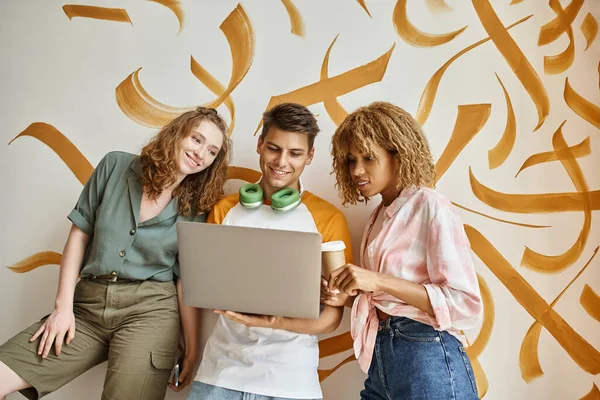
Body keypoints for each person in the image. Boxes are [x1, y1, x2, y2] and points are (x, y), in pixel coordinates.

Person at [0, 107, 232, 400]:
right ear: (177, 134)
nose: (201, 153)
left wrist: (193, 351)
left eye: (212, 151)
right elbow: (79, 235)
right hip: (86, 307)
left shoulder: (198, 207)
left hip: (150, 313)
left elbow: (184, 280)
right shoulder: (115, 166)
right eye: (196, 140)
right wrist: (62, 308)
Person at [188, 103, 353, 400]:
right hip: (220, 374)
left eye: (295, 153)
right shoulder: (224, 209)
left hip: (291, 383)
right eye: (274, 148)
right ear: (260, 145)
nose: (281, 161)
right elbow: (200, 288)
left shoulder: (328, 219)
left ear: (310, 156)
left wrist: (270, 321)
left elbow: (331, 318)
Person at [324, 101, 483, 400]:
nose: (357, 170)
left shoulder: (429, 205)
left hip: (426, 352)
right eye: (350, 160)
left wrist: (378, 280)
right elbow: (384, 298)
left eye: (368, 158)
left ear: (398, 155)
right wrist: (344, 292)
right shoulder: (378, 216)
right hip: (381, 356)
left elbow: (465, 304)